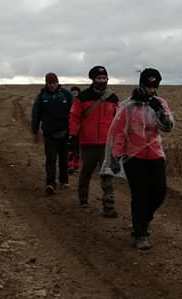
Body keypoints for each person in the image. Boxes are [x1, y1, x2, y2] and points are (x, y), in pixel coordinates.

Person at [104, 68, 175, 250]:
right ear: (142, 84)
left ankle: (144, 219)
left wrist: (160, 113)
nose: (152, 90)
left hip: (155, 155)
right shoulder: (128, 106)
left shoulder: (160, 103)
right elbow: (119, 132)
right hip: (134, 157)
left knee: (159, 193)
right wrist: (115, 154)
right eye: (149, 86)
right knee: (139, 196)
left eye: (155, 86)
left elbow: (168, 127)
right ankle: (140, 234)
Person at [69, 65, 120, 217]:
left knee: (107, 176)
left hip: (106, 145)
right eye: (99, 78)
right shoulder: (82, 97)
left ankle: (108, 208)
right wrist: (73, 136)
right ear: (93, 79)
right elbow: (74, 118)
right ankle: (83, 200)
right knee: (86, 173)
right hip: (88, 143)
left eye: (104, 78)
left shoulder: (113, 98)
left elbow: (118, 121)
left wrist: (118, 141)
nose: (102, 80)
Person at [30, 72, 73, 194]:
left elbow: (75, 111)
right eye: (50, 83)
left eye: (54, 83)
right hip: (49, 135)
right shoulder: (41, 96)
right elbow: (35, 114)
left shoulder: (66, 94)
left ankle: (64, 181)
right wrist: (35, 131)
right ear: (46, 84)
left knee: (64, 160)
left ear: (58, 82)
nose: (52, 85)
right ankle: (50, 184)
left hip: (65, 133)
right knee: (51, 160)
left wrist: (75, 130)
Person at [67, 86, 82, 174]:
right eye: (73, 93)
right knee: (70, 148)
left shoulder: (81, 104)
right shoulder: (68, 104)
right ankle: (69, 165)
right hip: (69, 129)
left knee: (77, 148)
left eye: (76, 93)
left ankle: (76, 165)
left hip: (79, 130)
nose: (74, 95)